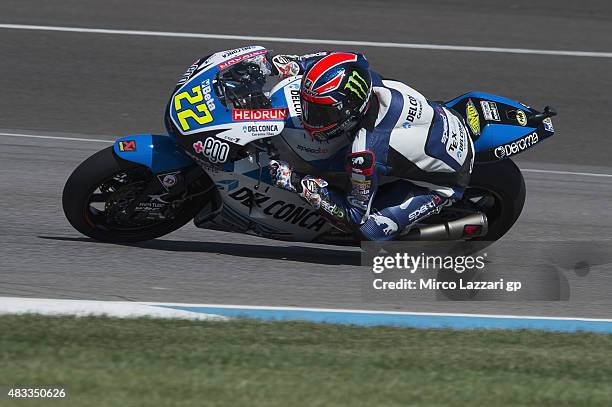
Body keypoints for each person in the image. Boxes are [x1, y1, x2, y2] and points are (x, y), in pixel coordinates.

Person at [266, 51, 474, 241]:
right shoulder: (365, 78)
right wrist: (296, 64)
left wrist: (298, 183)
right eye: (308, 107)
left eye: (322, 113)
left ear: (348, 111)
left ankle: (419, 221)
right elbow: (349, 58)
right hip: (441, 119)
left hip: (447, 178)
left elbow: (354, 217)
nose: (308, 118)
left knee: (369, 231)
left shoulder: (364, 151)